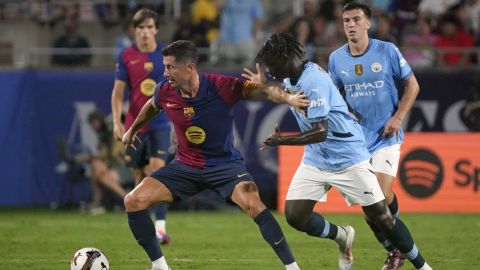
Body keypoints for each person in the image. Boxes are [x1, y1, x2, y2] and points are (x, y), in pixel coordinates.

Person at [248, 32, 431, 270]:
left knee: (382, 217)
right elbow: (283, 92)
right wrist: (265, 84)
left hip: (348, 156)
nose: (270, 70)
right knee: (295, 215)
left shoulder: (313, 80)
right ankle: (342, 235)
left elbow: (320, 132)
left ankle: (422, 265)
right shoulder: (292, 77)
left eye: (272, 65)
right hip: (317, 158)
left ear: (284, 58)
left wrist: (282, 140)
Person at [122, 40, 310, 270]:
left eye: (170, 67)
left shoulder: (220, 86)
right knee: (133, 201)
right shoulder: (165, 90)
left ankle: (292, 268)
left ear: (189, 68)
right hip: (185, 166)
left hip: (224, 166)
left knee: (254, 205)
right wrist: (132, 130)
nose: (165, 72)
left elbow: (262, 90)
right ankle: (160, 266)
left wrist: (287, 98)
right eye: (165, 66)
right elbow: (152, 105)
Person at [327, 2, 426, 269]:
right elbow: (335, 98)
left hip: (385, 136)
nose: (351, 25)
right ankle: (394, 249)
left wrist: (398, 117)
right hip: (357, 142)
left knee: (379, 198)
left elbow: (412, 85)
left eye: (356, 19)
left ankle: (399, 250)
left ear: (368, 23)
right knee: (372, 208)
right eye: (346, 20)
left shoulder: (387, 50)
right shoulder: (336, 59)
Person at [111, 8, 172, 244]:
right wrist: (117, 123)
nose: (145, 32)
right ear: (134, 30)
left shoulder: (167, 53)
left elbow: (177, 89)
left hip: (160, 122)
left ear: (156, 29)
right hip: (135, 126)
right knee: (138, 177)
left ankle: (160, 229)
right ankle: (144, 230)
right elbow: (117, 93)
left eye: (149, 27)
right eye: (140, 28)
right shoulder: (126, 56)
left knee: (156, 173)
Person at [87, 110, 128, 214]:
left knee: (98, 170)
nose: (93, 126)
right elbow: (106, 154)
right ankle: (99, 204)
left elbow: (116, 154)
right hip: (116, 167)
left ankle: (127, 199)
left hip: (127, 168)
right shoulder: (105, 135)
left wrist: (97, 158)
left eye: (95, 122)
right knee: (96, 169)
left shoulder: (119, 134)